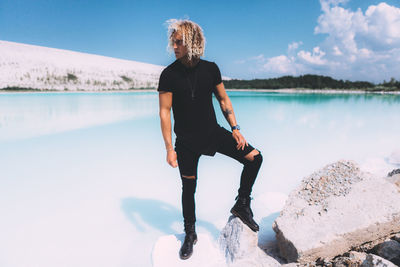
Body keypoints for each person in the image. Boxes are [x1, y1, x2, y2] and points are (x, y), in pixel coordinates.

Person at [158, 19, 263, 260]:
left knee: (254, 158)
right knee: (189, 188)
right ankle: (190, 233)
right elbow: (164, 112)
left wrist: (235, 128)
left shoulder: (210, 69)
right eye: (172, 41)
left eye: (179, 42)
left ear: (193, 42)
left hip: (213, 133)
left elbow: (224, 100)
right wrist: (168, 148)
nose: (174, 46)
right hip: (185, 142)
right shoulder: (168, 74)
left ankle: (242, 203)